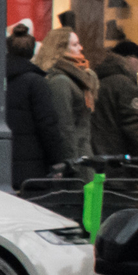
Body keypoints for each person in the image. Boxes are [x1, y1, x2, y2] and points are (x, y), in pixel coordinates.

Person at [4, 32, 72, 188]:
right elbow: (47, 124)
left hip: (1, 163)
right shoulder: (36, 82)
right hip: (32, 167)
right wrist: (57, 160)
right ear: (33, 50)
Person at [33, 26, 96, 174]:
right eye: (75, 45)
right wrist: (71, 165)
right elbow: (64, 127)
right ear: (60, 49)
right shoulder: (60, 81)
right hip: (77, 161)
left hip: (83, 157)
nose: (81, 48)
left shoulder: (77, 78)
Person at [88, 41, 138, 163]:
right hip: (120, 156)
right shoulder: (125, 84)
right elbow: (132, 126)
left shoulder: (101, 79)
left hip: (100, 152)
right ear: (129, 58)